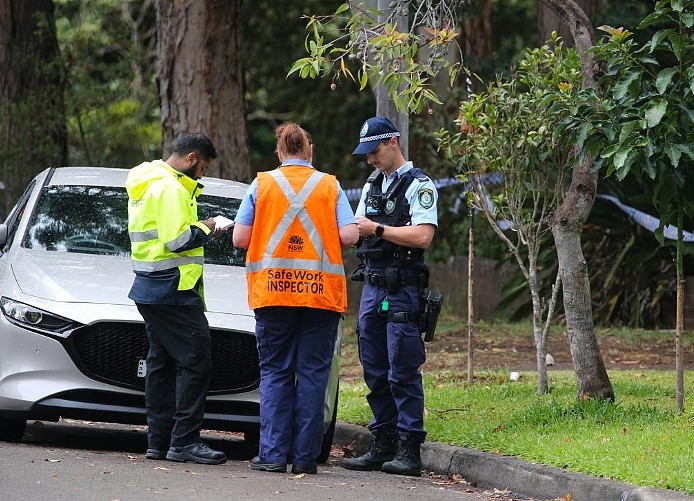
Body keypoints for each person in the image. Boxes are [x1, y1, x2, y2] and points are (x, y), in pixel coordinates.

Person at [233, 122, 358, 474]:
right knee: (313, 374)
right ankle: (304, 458)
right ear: (310, 150)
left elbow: (240, 239)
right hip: (320, 296)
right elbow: (349, 236)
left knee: (275, 373)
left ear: (278, 152)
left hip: (272, 294)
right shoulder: (330, 185)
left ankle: (272, 456)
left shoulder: (261, 184)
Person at [340, 116, 438, 477]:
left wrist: (378, 228)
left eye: (375, 151)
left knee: (403, 368)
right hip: (372, 285)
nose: (370, 159)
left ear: (393, 142)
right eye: (366, 154)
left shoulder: (420, 185)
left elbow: (423, 236)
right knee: (375, 367)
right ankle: (382, 443)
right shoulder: (371, 185)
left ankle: (409, 449)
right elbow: (355, 229)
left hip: (403, 290)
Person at [126, 132, 226, 465]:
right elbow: (178, 240)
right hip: (173, 289)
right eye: (204, 167)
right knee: (197, 362)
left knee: (162, 363)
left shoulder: (147, 182)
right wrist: (210, 226)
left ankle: (158, 441)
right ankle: (183, 442)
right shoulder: (169, 188)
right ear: (192, 157)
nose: (204, 174)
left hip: (151, 286)